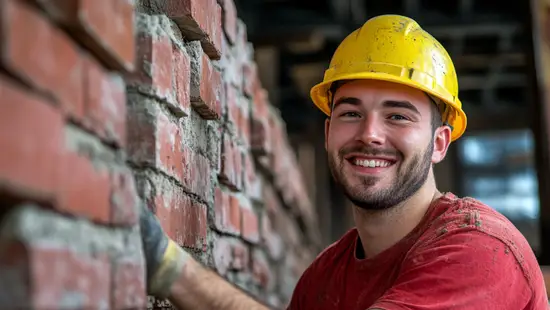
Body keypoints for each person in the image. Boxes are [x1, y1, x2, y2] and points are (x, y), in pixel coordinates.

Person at [139, 14, 549, 309]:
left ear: (439, 143)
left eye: (398, 116)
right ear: (327, 132)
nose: (369, 134)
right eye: (350, 113)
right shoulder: (323, 280)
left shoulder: (481, 251)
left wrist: (170, 267)